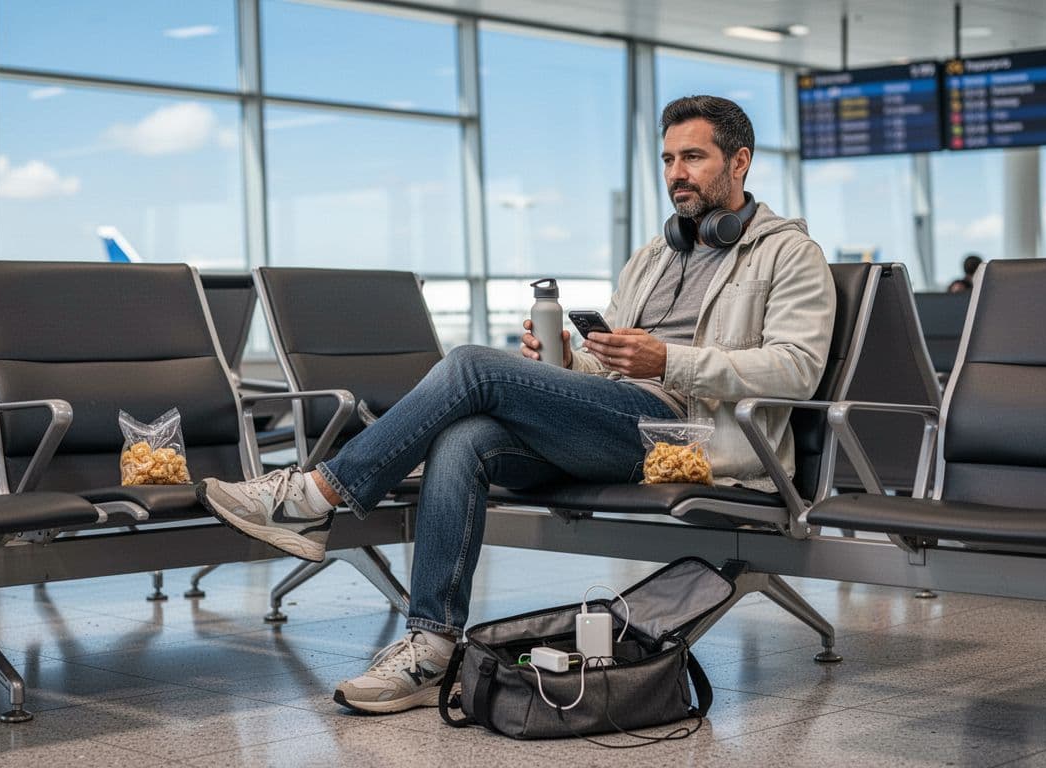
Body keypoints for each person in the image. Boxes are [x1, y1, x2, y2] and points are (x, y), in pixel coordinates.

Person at [196, 95, 836, 715]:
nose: (676, 175)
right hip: (615, 418)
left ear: (740, 161)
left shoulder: (788, 254)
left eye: (692, 158)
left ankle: (317, 498)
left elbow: (797, 371)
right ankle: (432, 649)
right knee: (464, 437)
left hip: (689, 439)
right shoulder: (653, 256)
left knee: (471, 365)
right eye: (668, 160)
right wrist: (567, 358)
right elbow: (608, 360)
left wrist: (667, 361)